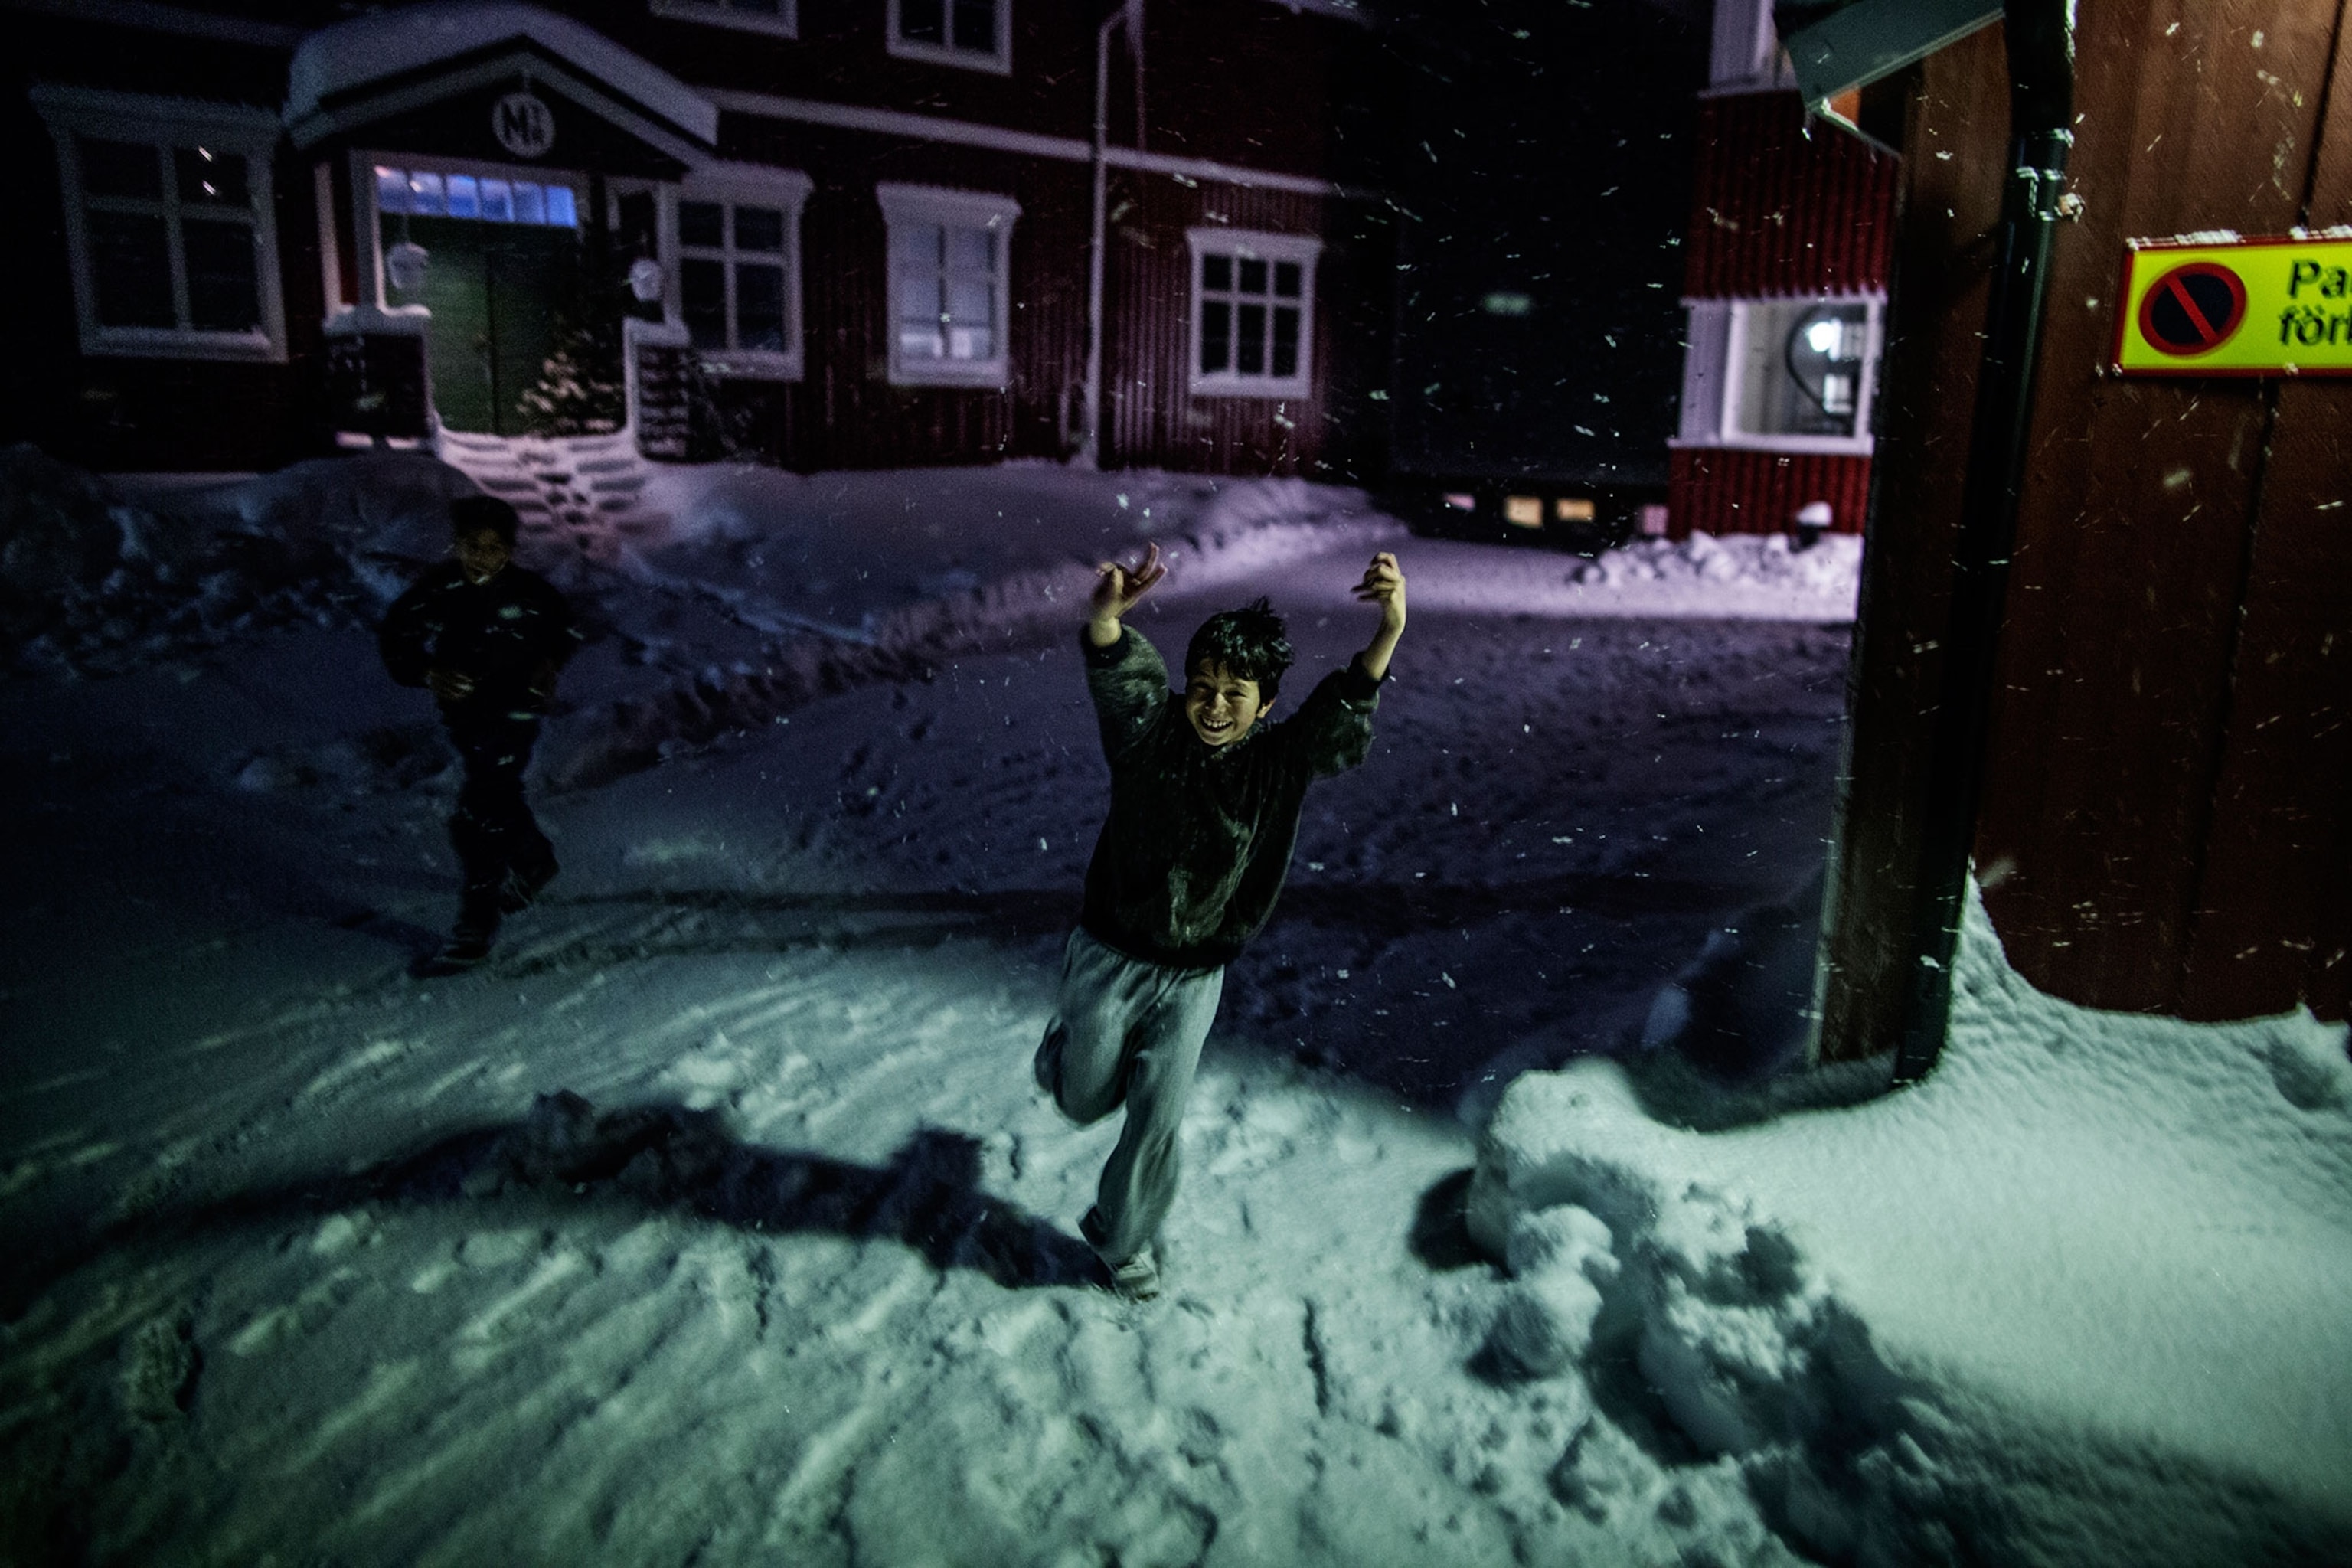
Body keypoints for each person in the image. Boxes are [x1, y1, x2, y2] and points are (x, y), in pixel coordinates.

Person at [1035, 544, 1407, 1298]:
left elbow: (1340, 711)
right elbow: (1120, 678)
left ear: (1266, 702)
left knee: (1156, 1117)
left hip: (1197, 970)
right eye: (1201, 686)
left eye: (1235, 692)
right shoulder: (1150, 733)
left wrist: (1388, 630)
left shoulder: (1279, 761)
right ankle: (1067, 1049)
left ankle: (1121, 1237)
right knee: (1082, 1098)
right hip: (1110, 949)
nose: (1212, 704)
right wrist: (1105, 618)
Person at [378, 495, 582, 967]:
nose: (482, 558)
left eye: (494, 548)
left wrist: (549, 666)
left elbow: (565, 630)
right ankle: (534, 860)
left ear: (510, 549)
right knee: (497, 795)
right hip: (466, 717)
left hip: (515, 715)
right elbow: (395, 638)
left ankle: (476, 924)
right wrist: (427, 672)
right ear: (456, 544)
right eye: (472, 546)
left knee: (479, 816)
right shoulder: (441, 590)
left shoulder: (531, 594)